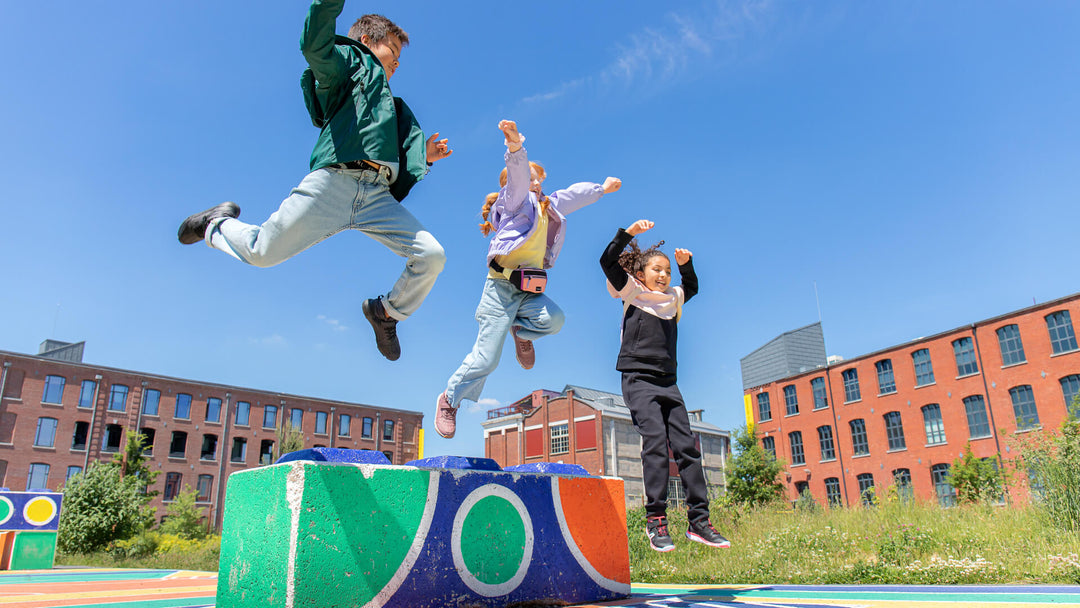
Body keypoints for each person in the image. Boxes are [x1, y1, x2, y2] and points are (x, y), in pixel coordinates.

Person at [177, 0, 452, 362]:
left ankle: (385, 312)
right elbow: (315, 46)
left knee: (431, 255)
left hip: (376, 196)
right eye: (393, 50)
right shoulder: (351, 65)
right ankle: (215, 224)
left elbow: (401, 155)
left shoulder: (395, 107)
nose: (398, 61)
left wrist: (424, 156)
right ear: (367, 41)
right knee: (262, 252)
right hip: (334, 182)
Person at [434, 120, 621, 439]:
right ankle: (449, 399)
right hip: (499, 290)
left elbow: (573, 196)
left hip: (528, 292)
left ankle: (522, 334)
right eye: (532, 179)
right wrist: (515, 148)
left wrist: (601, 189)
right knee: (487, 359)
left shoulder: (547, 206)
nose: (535, 185)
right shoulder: (513, 203)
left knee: (555, 319)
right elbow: (519, 179)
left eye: (540, 181)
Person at [599, 219, 730, 552]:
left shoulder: (673, 298)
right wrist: (626, 234)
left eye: (668, 271)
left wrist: (687, 267)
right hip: (638, 379)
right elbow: (606, 261)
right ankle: (656, 520)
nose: (663, 275)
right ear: (641, 274)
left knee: (687, 448)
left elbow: (693, 287)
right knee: (655, 442)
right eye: (657, 269)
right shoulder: (631, 291)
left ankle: (699, 521)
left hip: (669, 384)